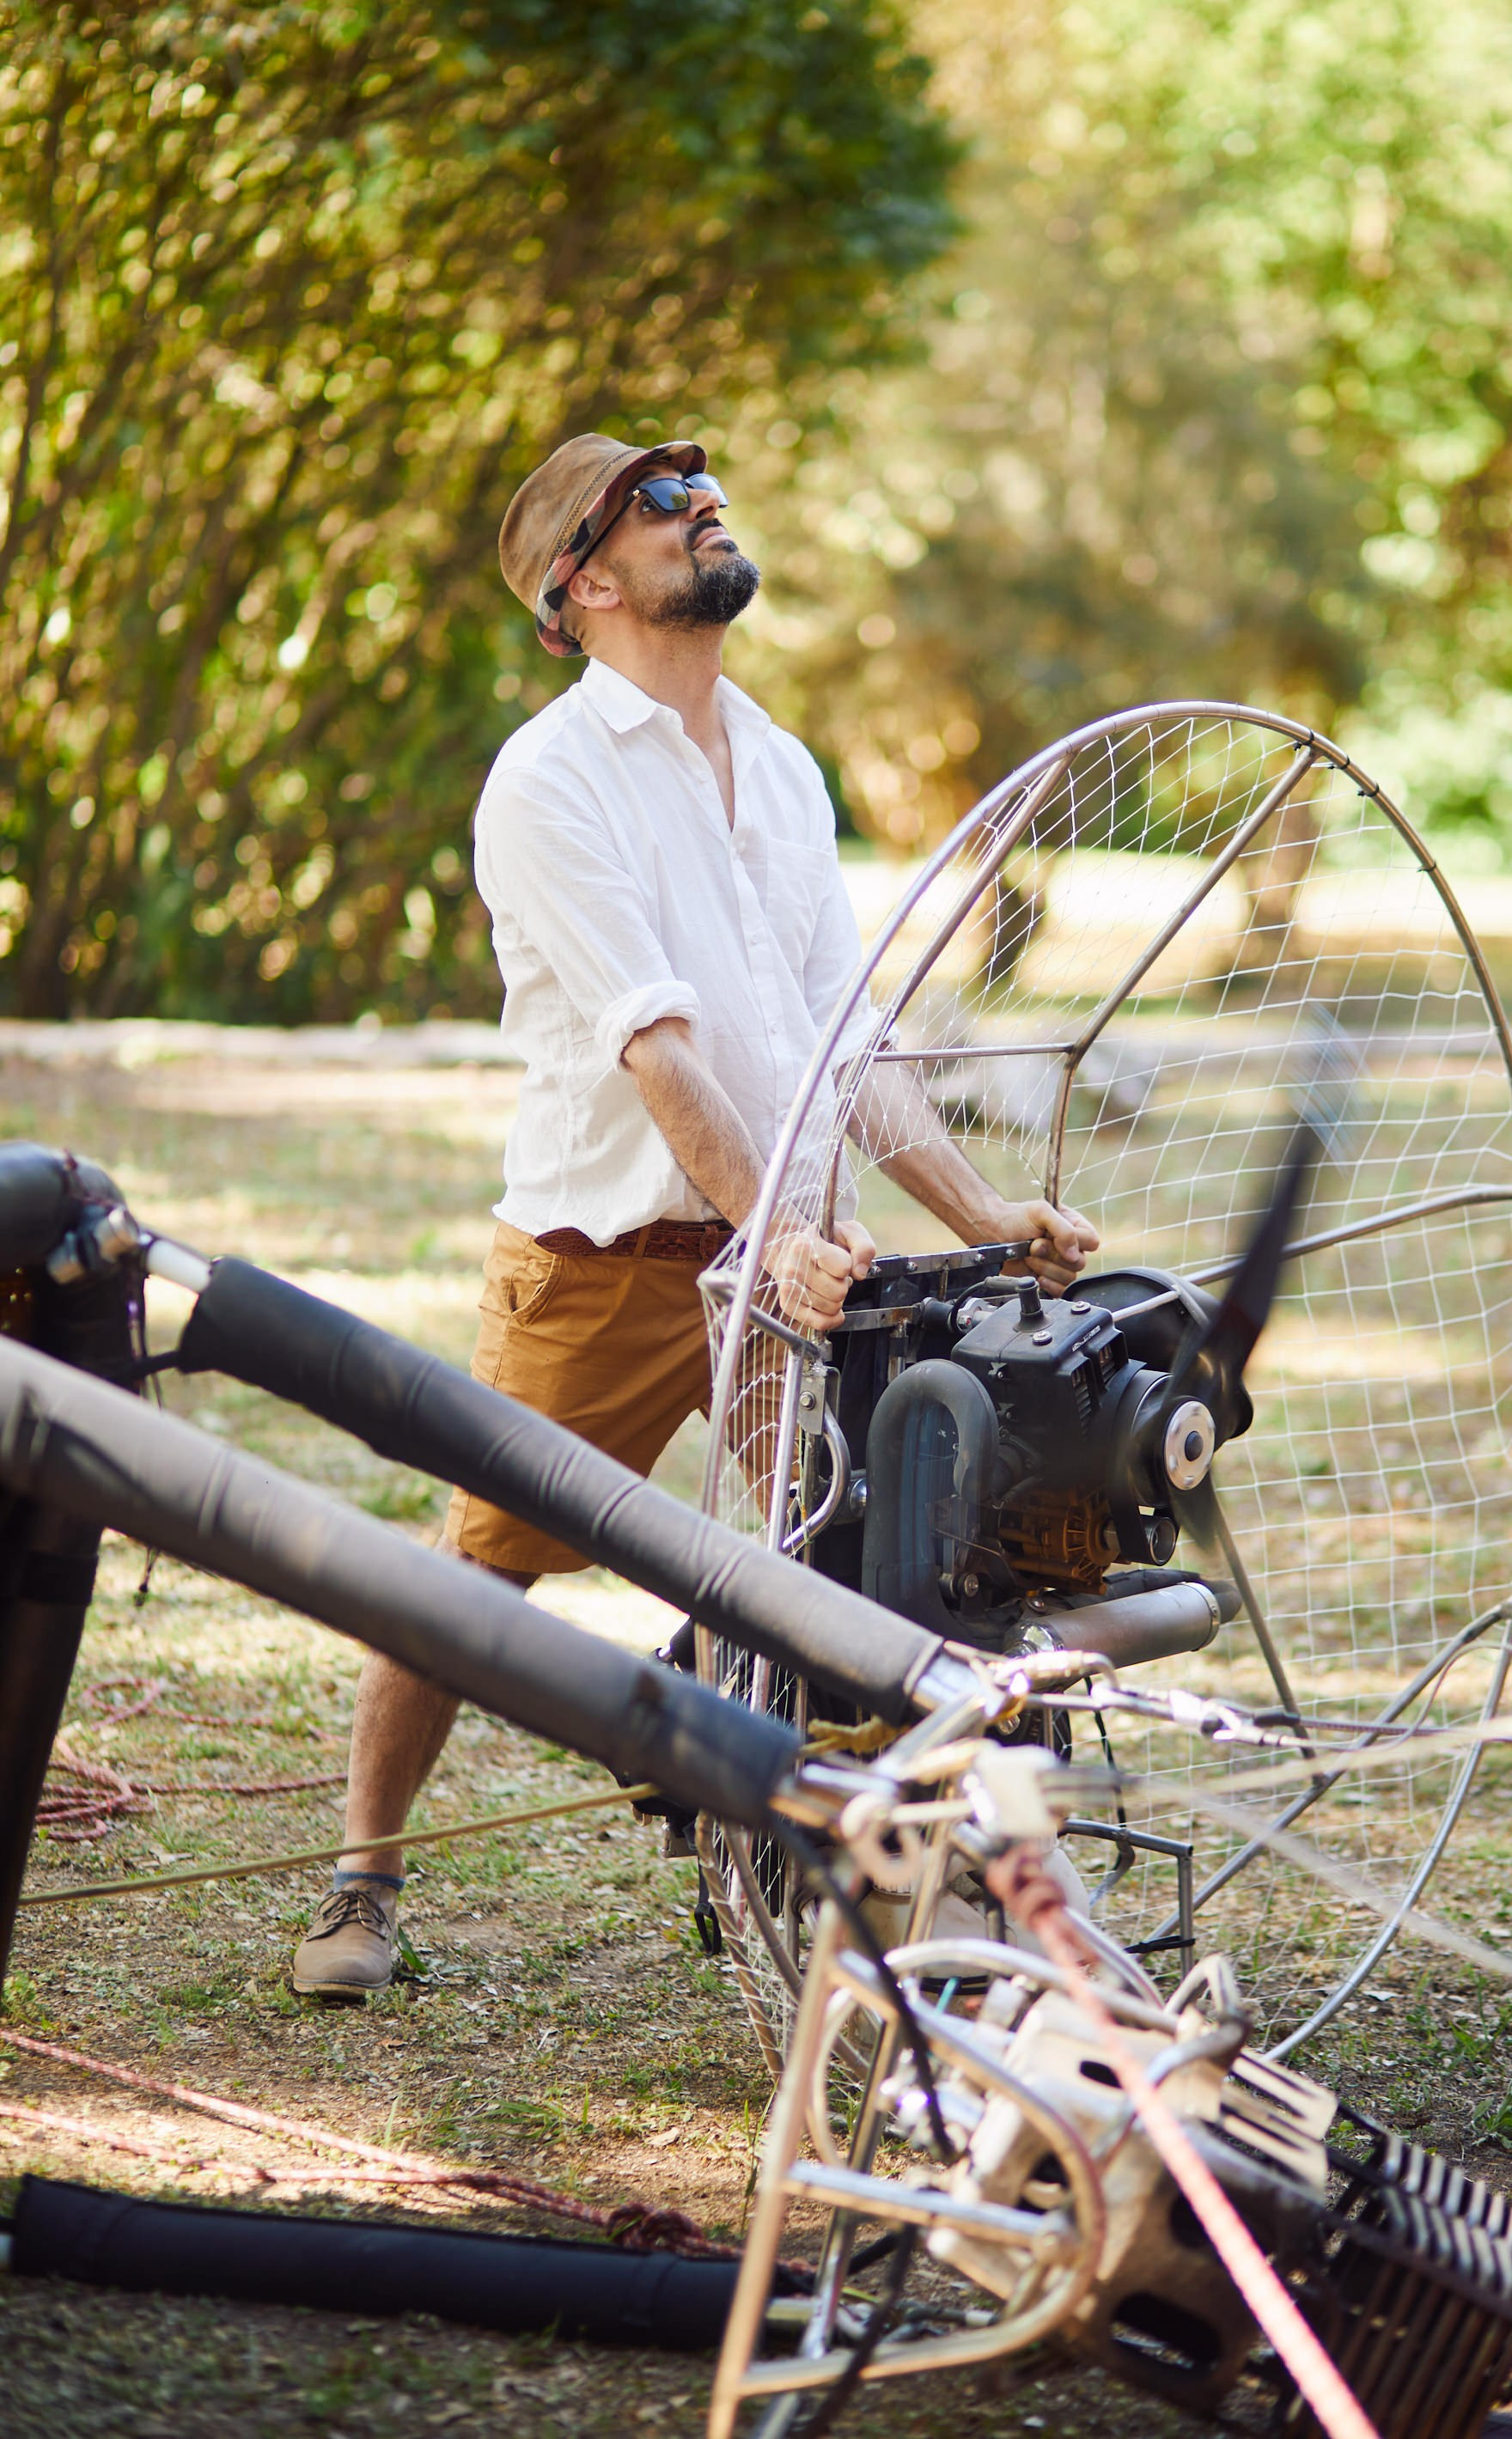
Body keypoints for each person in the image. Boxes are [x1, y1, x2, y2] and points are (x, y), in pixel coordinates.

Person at [291, 431, 1097, 2000]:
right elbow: (655, 1046)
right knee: (476, 1574)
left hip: (795, 1270)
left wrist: (983, 1209)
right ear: (582, 584)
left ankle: (810, 1846)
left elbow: (839, 1044)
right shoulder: (550, 781)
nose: (697, 508)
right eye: (656, 504)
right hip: (606, 1257)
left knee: (850, 1557)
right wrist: (764, 1223)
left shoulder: (783, 767)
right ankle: (358, 1881)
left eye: (701, 490)